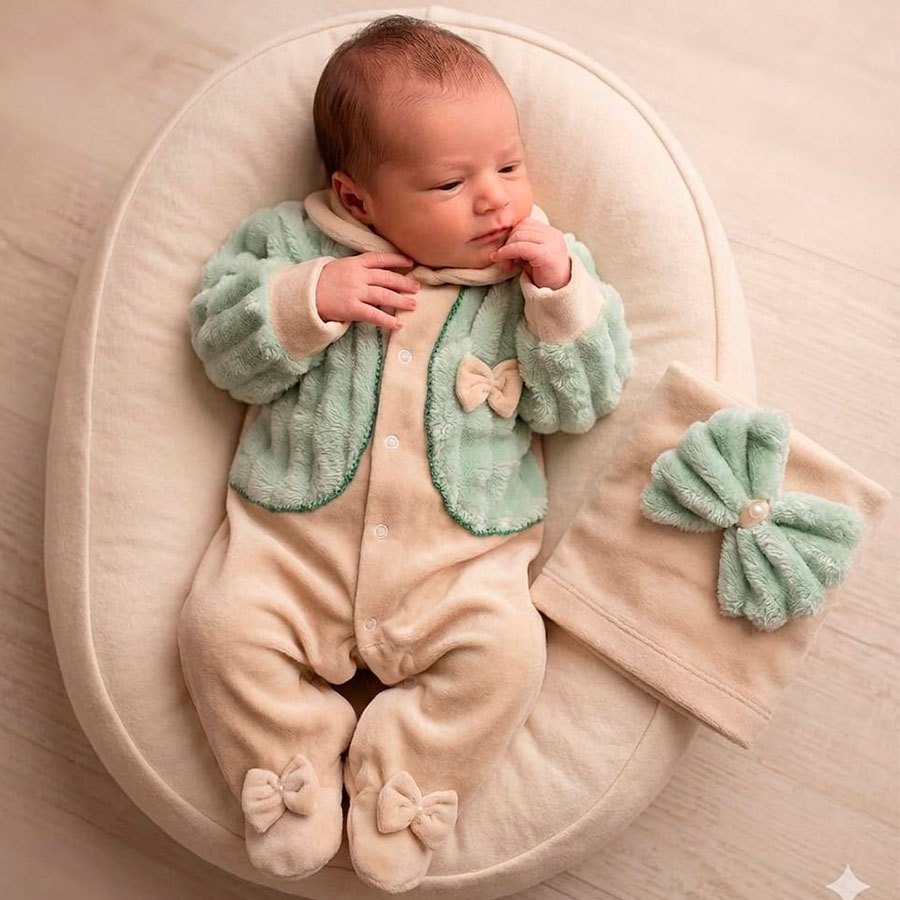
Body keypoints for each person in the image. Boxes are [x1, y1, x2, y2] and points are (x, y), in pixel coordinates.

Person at [177, 13, 633, 894]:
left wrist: (561, 298)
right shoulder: (293, 246)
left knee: (508, 658)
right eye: (451, 182)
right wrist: (307, 299)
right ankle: (291, 759)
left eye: (509, 166)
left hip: (457, 564)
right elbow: (222, 348)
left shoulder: (539, 271)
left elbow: (582, 403)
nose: (495, 199)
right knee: (218, 628)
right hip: (293, 549)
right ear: (359, 201)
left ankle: (407, 776)